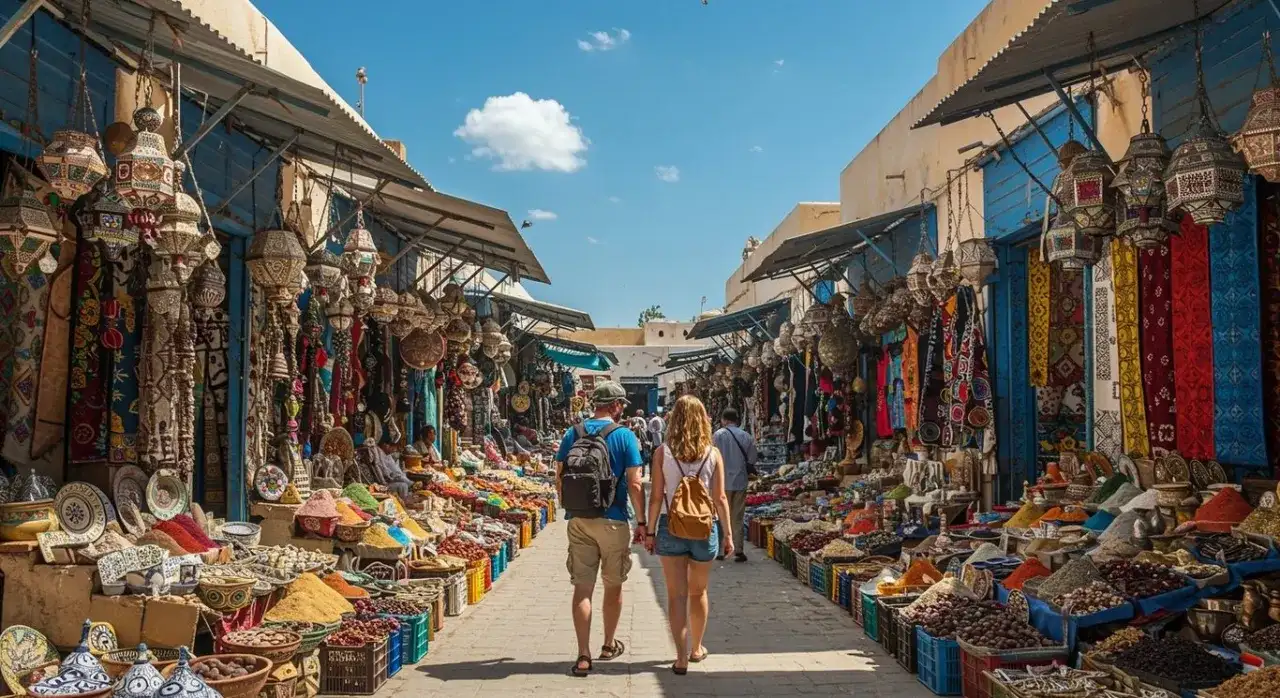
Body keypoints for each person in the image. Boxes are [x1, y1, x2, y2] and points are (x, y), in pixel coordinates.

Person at [555, 381, 646, 677]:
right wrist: (642, 522)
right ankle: (608, 644)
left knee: (583, 588)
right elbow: (635, 483)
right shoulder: (624, 436)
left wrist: (570, 507)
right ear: (616, 405)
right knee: (613, 585)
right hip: (614, 519)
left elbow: (559, 475)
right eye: (622, 405)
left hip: (579, 520)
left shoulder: (573, 433)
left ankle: (583, 655)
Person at [644, 395, 734, 675]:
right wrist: (728, 535)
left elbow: (656, 496)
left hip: (670, 525)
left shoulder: (663, 452)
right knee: (699, 592)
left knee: (676, 596)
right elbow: (720, 497)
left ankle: (680, 657)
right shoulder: (713, 453)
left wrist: (649, 531)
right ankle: (696, 648)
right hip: (705, 528)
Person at [713, 407, 757, 562]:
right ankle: (738, 550)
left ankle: (720, 550)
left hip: (721, 482)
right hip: (740, 480)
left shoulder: (717, 435)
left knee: (720, 515)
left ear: (724, 420)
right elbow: (752, 458)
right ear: (736, 420)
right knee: (737, 516)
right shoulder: (746, 436)